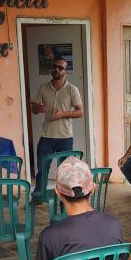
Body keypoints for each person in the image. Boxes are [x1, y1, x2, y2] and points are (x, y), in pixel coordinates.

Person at [30, 57, 84, 196]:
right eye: (55, 67)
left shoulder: (72, 89)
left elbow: (80, 112)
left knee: (65, 170)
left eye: (61, 68)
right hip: (46, 136)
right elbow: (34, 110)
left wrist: (63, 114)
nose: (57, 70)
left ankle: (65, 197)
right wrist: (37, 108)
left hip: (65, 137)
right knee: (42, 168)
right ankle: (39, 196)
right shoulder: (43, 88)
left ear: (66, 72)